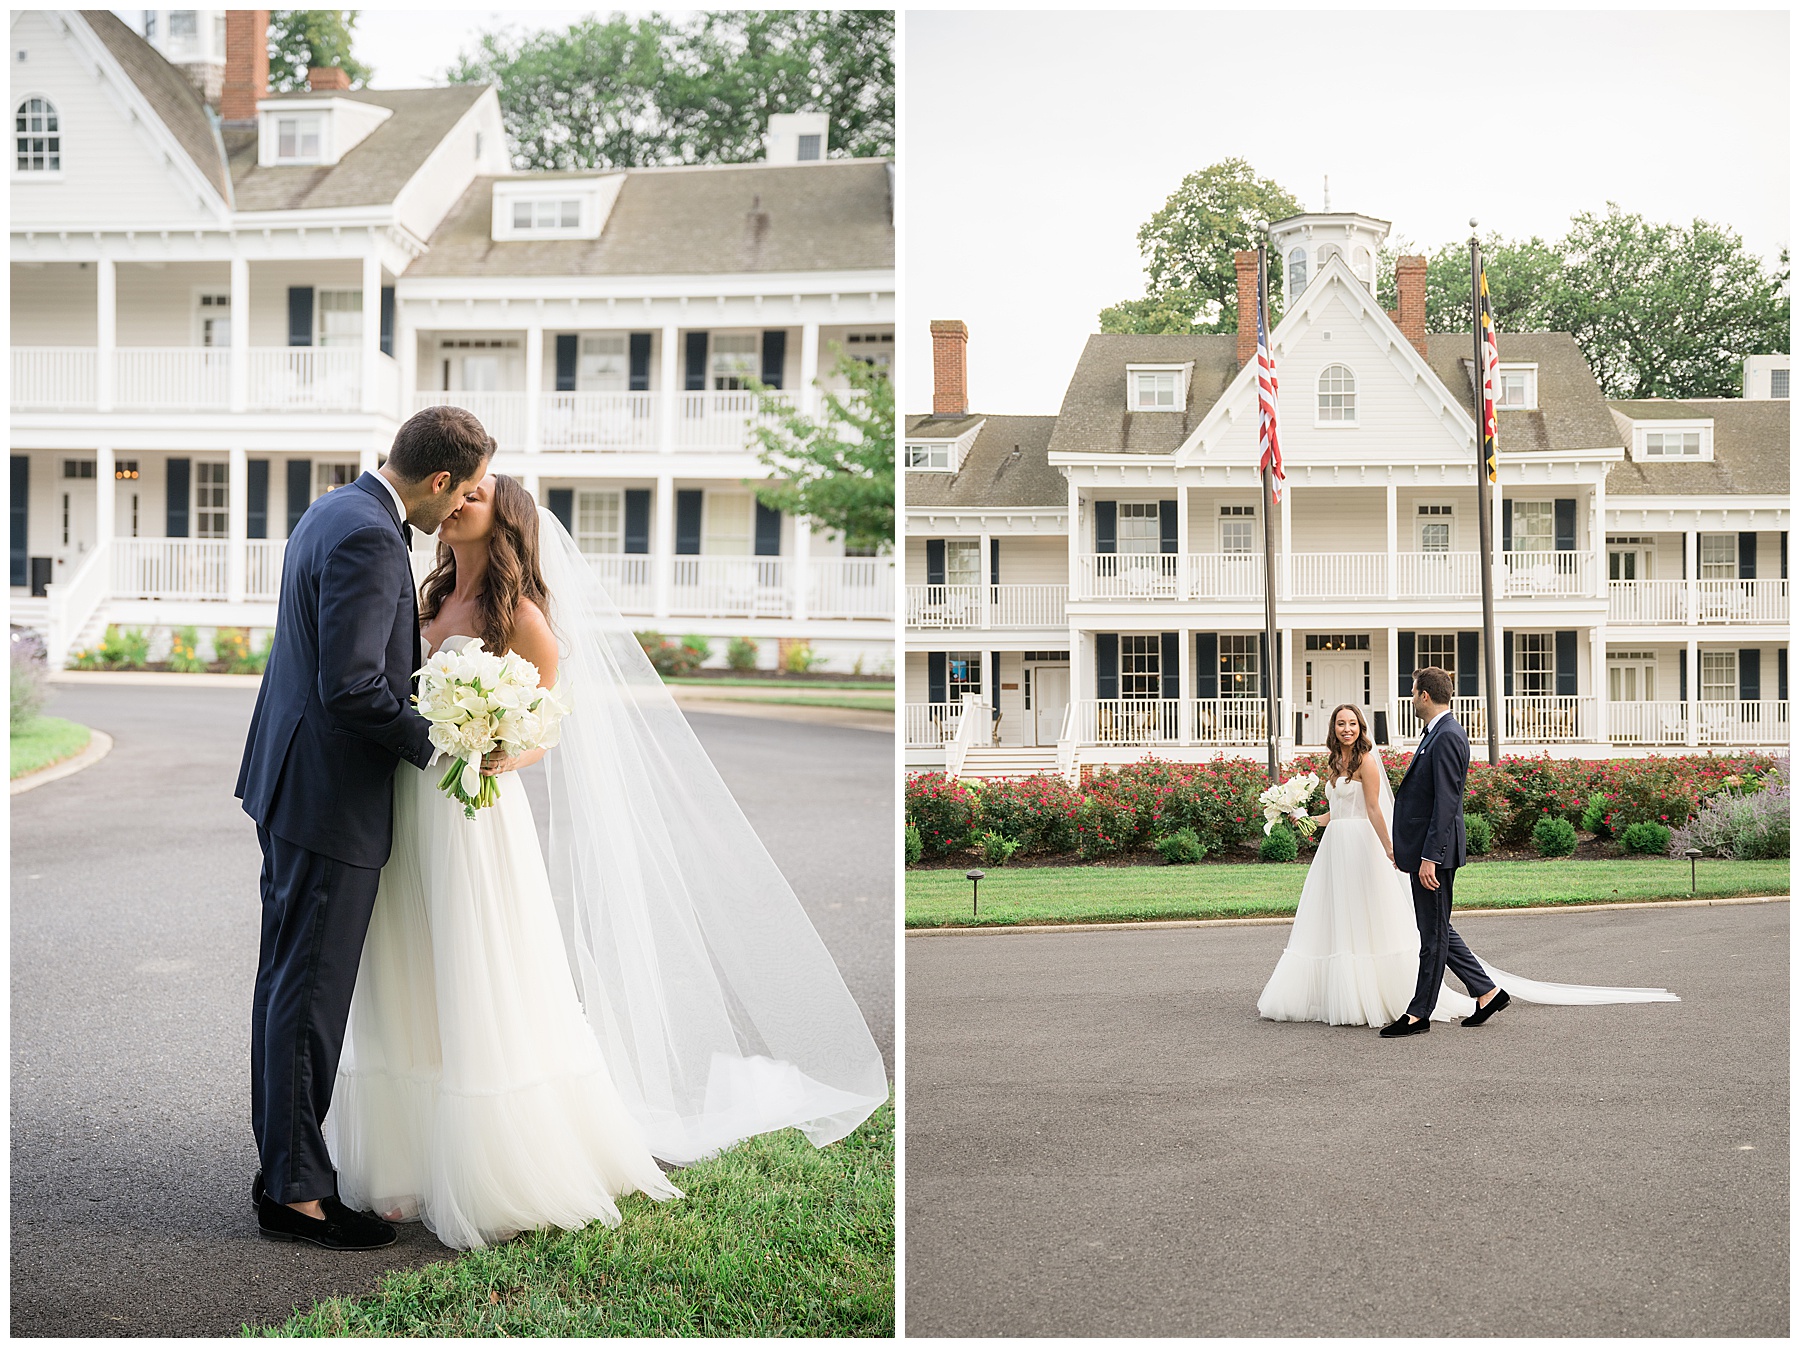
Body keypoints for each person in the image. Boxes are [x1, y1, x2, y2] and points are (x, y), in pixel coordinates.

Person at [325, 474, 888, 1250]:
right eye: (456, 498)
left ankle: (499, 1162)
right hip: (404, 807)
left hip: (470, 817)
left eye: (474, 500)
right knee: (406, 967)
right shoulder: (421, 603)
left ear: (506, 526)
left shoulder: (522, 619)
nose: (455, 508)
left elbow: (546, 726)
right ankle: (407, 1156)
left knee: (477, 970)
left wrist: (494, 750)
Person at [236, 405, 492, 1250]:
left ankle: (284, 1167)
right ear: (441, 480)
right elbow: (353, 687)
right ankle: (298, 1197)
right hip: (327, 796)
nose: (455, 515)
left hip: (292, 782)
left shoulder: (330, 509)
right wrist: (445, 751)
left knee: (284, 985)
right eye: (457, 498)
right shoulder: (374, 538)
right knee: (307, 992)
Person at [1256, 675, 1679, 1031]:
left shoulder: (1447, 735)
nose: (1412, 698)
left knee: (1432, 933)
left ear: (1424, 695)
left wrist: (1426, 857)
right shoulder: (1435, 733)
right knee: (1436, 928)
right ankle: (1487, 991)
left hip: (1433, 854)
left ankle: (1419, 1012)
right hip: (1412, 850)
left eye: (1414, 692)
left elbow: (1445, 803)